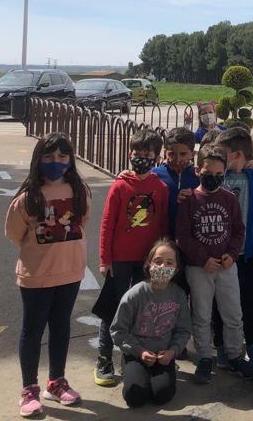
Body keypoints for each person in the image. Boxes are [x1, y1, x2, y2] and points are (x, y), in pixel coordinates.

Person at [5, 132, 91, 418]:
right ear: (38, 160)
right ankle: (29, 389)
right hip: (37, 276)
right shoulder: (27, 198)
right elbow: (15, 234)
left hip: (70, 273)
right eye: (49, 157)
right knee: (32, 331)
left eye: (62, 157)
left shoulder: (79, 192)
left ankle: (56, 382)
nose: (56, 162)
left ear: (70, 160)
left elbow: (83, 221)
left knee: (61, 327)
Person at [93, 129, 169, 388]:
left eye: (148, 155)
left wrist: (162, 260)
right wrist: (105, 259)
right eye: (138, 154)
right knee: (112, 309)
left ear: (156, 158)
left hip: (147, 262)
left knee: (143, 309)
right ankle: (104, 358)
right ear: (130, 154)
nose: (142, 159)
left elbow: (163, 226)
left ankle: (136, 358)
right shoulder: (120, 185)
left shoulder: (160, 188)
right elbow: (107, 224)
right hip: (120, 260)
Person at [177, 144, 253, 382]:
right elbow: (182, 235)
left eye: (219, 175)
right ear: (198, 170)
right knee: (201, 315)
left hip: (226, 266)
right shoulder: (189, 200)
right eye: (208, 174)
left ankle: (235, 355)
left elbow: (238, 230)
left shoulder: (229, 198)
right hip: (199, 268)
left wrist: (232, 254)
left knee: (233, 313)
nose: (214, 179)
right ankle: (204, 357)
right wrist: (202, 258)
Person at [212, 126, 253, 368]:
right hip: (220, 254)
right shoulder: (217, 174)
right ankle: (222, 345)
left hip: (247, 255)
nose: (218, 157)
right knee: (220, 303)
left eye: (222, 153)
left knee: (250, 300)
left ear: (236, 155)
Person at [109, 238, 192, 408]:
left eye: (169, 263)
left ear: (176, 269)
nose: (163, 267)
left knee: (162, 394)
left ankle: (165, 372)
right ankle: (130, 370)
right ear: (149, 264)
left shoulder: (179, 295)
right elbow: (118, 330)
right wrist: (139, 352)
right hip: (136, 354)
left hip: (163, 356)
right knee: (135, 396)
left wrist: (172, 352)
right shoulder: (135, 294)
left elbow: (183, 330)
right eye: (158, 261)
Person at [152, 126, 200, 237]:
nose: (177, 159)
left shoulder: (198, 176)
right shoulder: (155, 174)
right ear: (165, 153)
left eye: (183, 154)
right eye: (172, 154)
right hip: (161, 238)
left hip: (190, 238)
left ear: (192, 154)